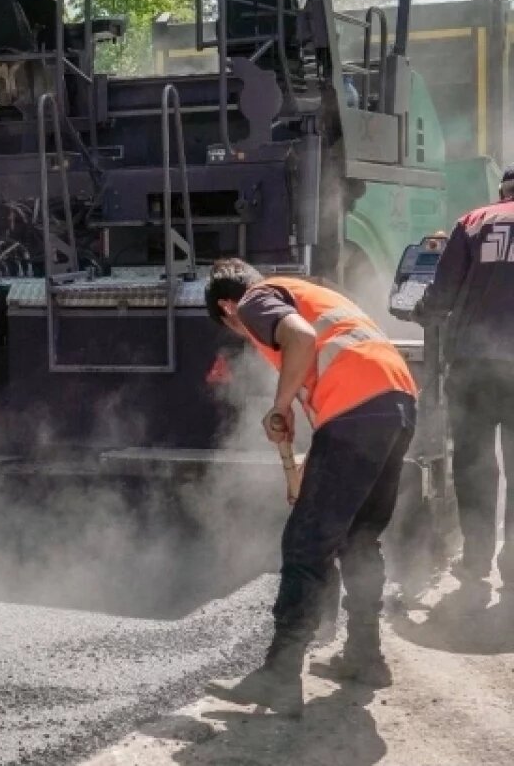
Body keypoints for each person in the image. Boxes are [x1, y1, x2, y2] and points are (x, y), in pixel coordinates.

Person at [204, 258, 418, 717]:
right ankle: (366, 656)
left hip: (359, 411)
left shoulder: (256, 299)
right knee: (360, 537)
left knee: (305, 542)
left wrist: (278, 403)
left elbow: (300, 339)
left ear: (227, 306)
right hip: (396, 405)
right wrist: (298, 465)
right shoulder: (312, 295)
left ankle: (280, 675)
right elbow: (325, 391)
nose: (246, 336)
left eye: (235, 329)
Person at [414, 164, 514, 610]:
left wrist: (420, 309)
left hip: (473, 367)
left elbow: (441, 296)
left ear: (501, 190)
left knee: (474, 466)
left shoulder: (473, 221)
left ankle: (475, 563)